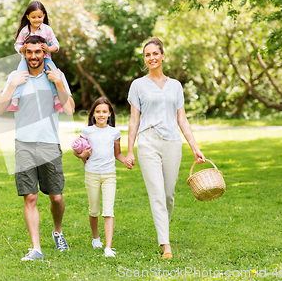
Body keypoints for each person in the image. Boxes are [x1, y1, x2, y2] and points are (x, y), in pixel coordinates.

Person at [125, 37, 205, 260]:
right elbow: (133, 120)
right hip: (147, 141)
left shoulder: (175, 86)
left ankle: (163, 227)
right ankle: (165, 245)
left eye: (155, 54)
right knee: (157, 193)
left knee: (169, 194)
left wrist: (195, 147)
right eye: (147, 55)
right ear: (145, 59)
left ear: (162, 56)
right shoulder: (138, 85)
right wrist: (130, 150)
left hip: (172, 142)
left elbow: (183, 120)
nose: (151, 58)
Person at [0, 35, 75, 261]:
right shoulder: (15, 77)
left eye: (37, 52)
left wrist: (59, 82)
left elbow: (70, 109)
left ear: (44, 53)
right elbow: (0, 109)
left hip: (49, 142)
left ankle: (57, 231)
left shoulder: (56, 76)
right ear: (24, 53)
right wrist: (12, 85)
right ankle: (36, 248)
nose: (33, 56)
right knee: (30, 197)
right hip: (24, 143)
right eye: (28, 52)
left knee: (56, 198)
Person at [73, 97, 128, 258]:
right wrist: (82, 154)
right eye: (98, 112)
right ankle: (96, 238)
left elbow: (118, 154)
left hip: (109, 174)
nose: (101, 115)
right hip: (92, 174)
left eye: (104, 111)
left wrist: (126, 161)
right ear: (93, 114)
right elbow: (77, 151)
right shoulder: (87, 131)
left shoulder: (114, 132)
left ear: (110, 113)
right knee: (94, 210)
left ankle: (108, 248)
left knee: (108, 210)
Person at [8, 1, 63, 112]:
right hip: (26, 60)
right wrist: (22, 49)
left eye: (39, 17)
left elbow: (56, 45)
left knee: (53, 74)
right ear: (28, 17)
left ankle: (56, 99)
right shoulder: (24, 31)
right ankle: (15, 100)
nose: (36, 20)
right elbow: (17, 44)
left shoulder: (47, 29)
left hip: (45, 59)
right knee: (20, 75)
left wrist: (48, 49)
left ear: (44, 16)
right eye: (33, 17)